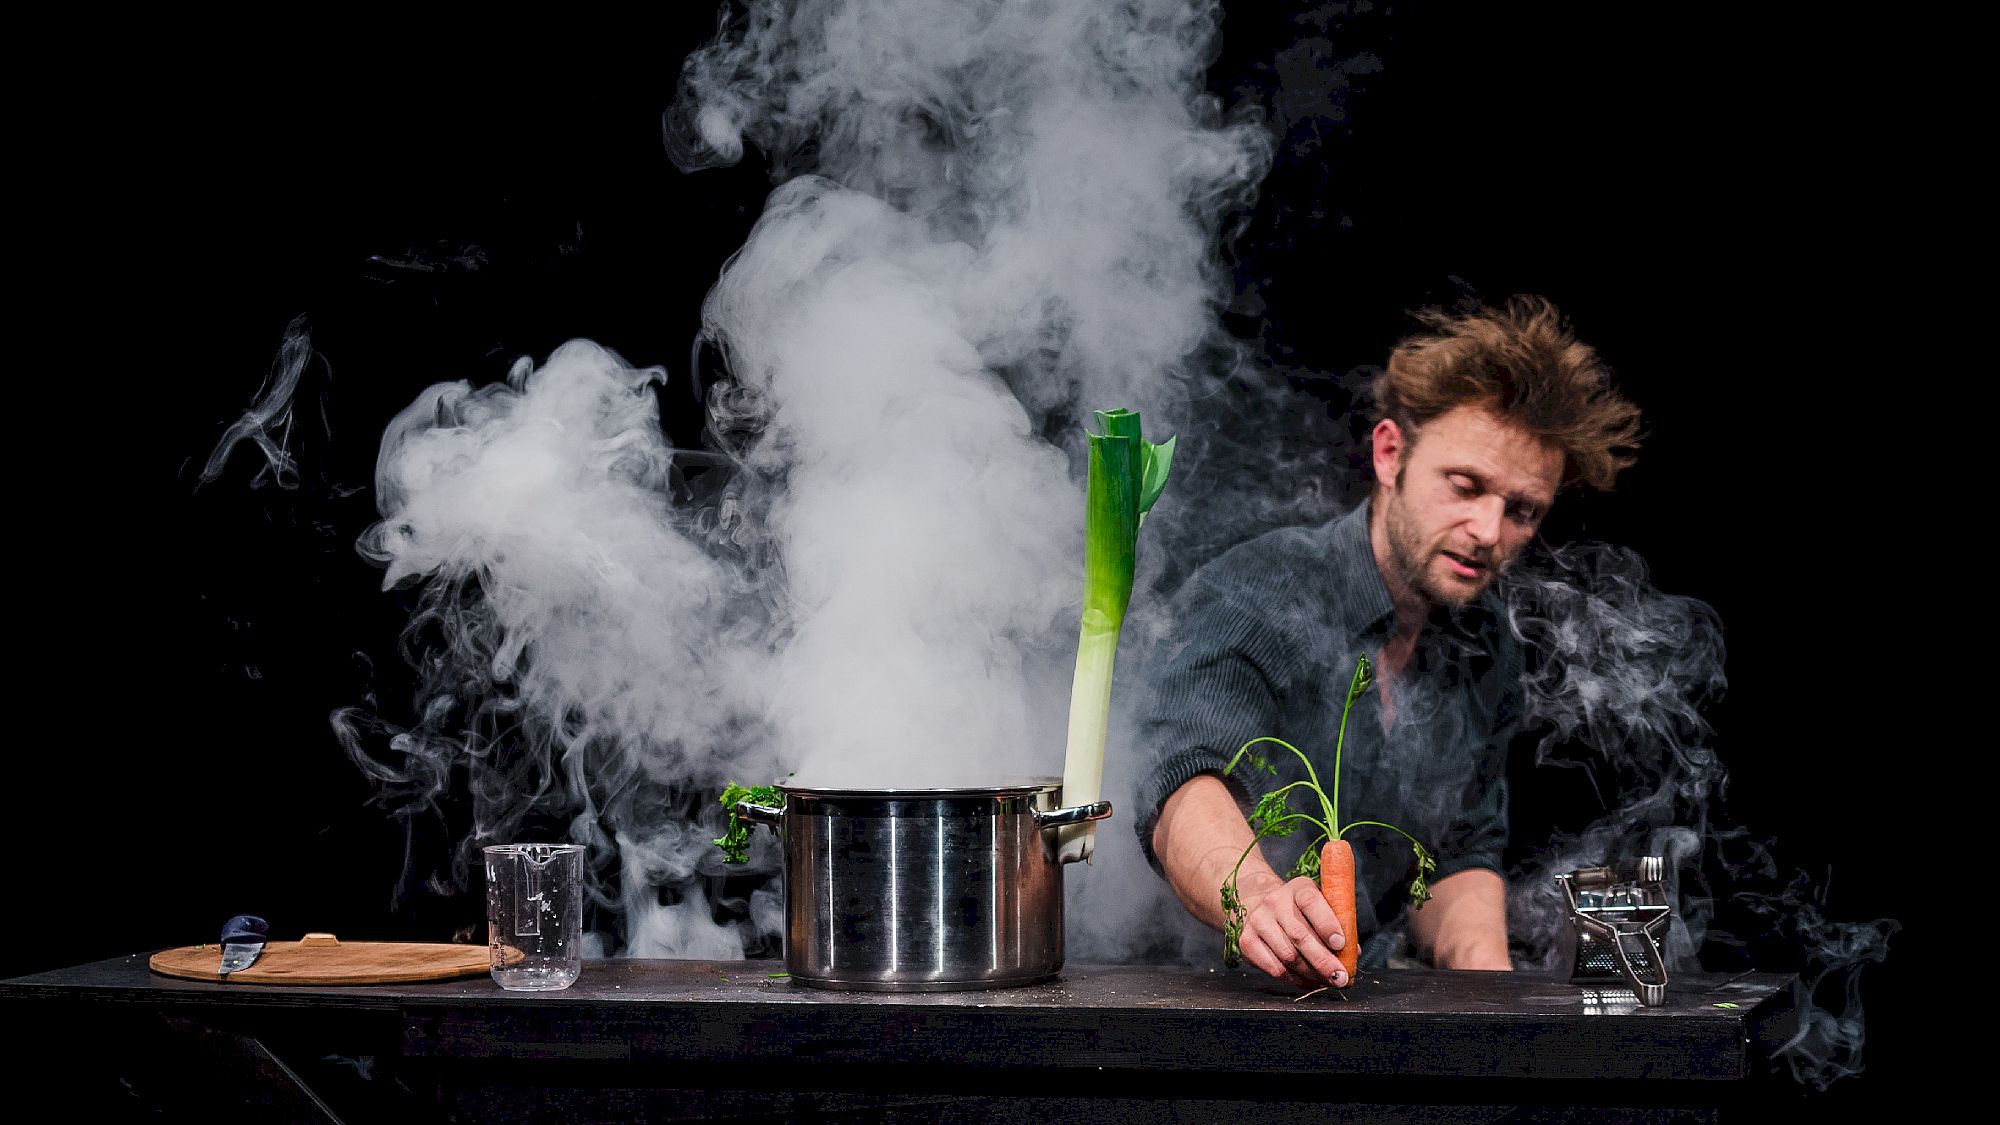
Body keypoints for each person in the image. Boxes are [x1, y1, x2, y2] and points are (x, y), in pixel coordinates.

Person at [1136, 296, 1640, 990]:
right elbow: (1182, 781)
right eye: (1466, 486)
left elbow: (1460, 858)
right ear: (1389, 453)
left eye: (1522, 509)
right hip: (1200, 1009)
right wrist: (1256, 896)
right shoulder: (1261, 589)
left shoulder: (1487, 644)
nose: (1489, 530)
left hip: (1361, 1012)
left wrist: (1492, 998)